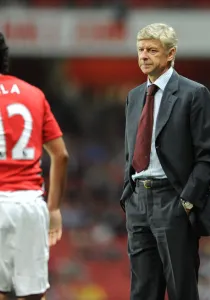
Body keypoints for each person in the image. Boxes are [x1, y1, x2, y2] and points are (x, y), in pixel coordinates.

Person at [120, 23, 210, 300]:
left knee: (181, 290)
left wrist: (187, 201)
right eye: (141, 49)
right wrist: (128, 195)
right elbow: (131, 152)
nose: (144, 55)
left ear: (170, 54)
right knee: (142, 291)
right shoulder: (133, 97)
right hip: (138, 201)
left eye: (152, 50)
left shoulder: (194, 93)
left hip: (173, 199)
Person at [0, 33, 69, 300]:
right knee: (32, 296)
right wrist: (54, 209)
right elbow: (61, 156)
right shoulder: (34, 94)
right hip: (29, 205)